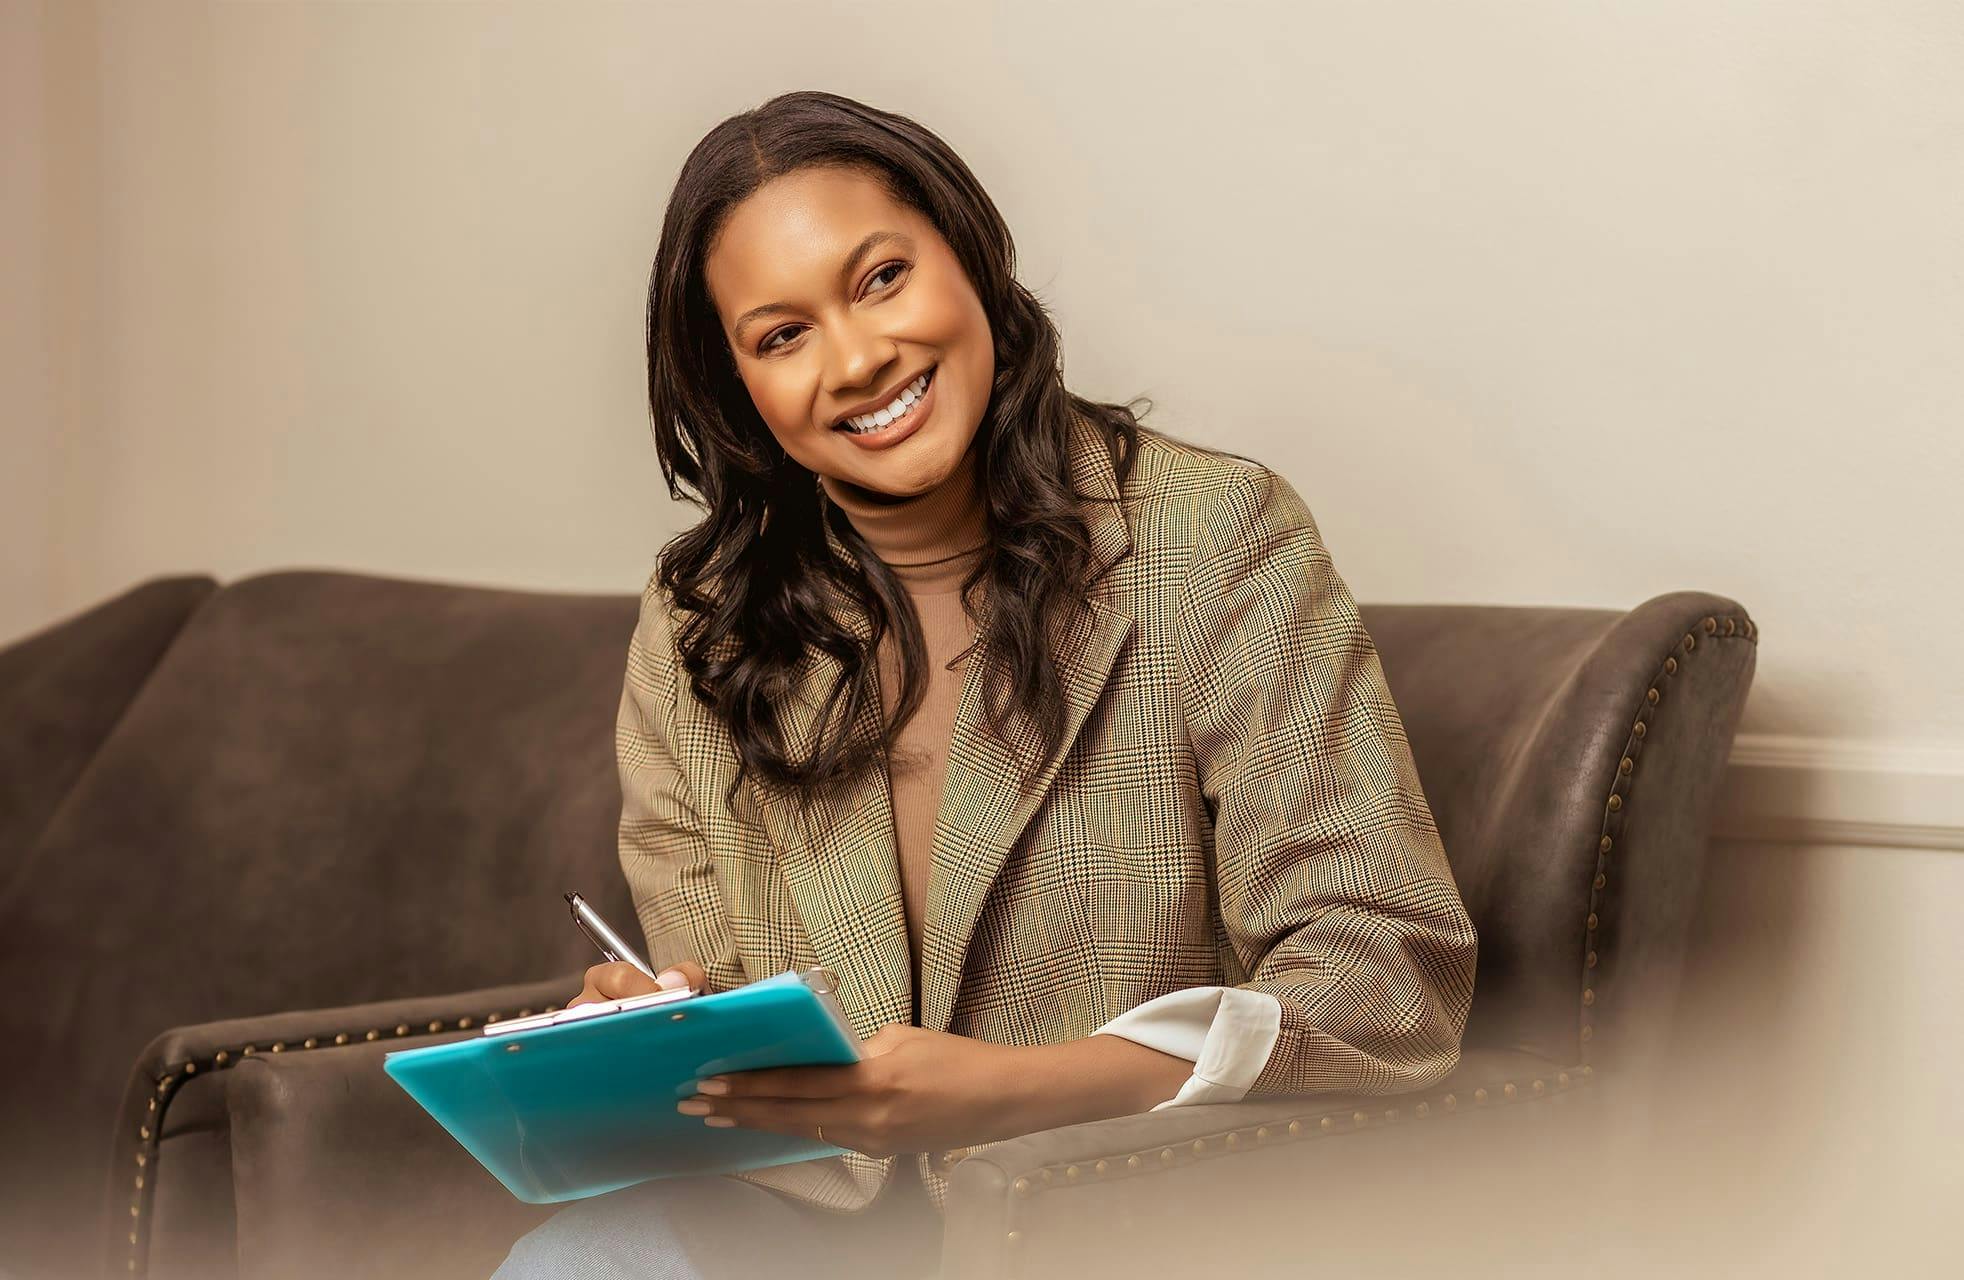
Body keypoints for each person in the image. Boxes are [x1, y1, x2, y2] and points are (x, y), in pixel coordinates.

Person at [492, 89, 1477, 1279]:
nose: (857, 361)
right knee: (590, 1253)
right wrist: (666, 1030)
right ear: (735, 386)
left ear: (968, 254)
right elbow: (742, 1026)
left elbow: (1385, 972)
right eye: (780, 335)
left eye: (879, 278)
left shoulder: (1211, 538)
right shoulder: (698, 619)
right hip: (796, 1235)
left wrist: (1015, 1090)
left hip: (1098, 1222)